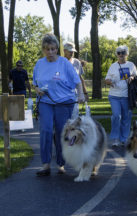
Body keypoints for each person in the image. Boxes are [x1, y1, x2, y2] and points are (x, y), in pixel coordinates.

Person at [32, 33, 85, 176]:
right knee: (46, 130)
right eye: (47, 49)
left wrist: (80, 95)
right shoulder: (39, 64)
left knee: (61, 132)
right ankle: (46, 164)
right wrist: (37, 90)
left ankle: (61, 164)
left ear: (57, 49)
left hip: (64, 102)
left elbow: (77, 81)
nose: (50, 52)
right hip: (45, 102)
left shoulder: (64, 63)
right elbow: (35, 84)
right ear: (43, 49)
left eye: (53, 49)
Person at [105, 45, 137, 147]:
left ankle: (123, 138)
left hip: (127, 96)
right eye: (118, 53)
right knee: (116, 116)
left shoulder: (131, 65)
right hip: (114, 95)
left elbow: (136, 76)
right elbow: (106, 80)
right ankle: (115, 138)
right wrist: (110, 82)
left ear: (127, 54)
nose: (120, 55)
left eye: (123, 53)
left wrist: (132, 77)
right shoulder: (113, 66)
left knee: (126, 117)